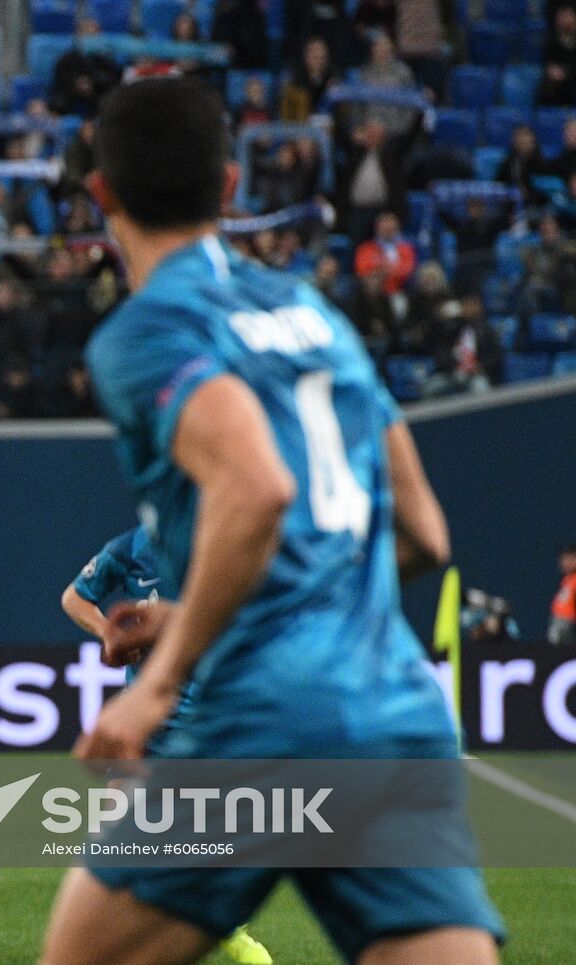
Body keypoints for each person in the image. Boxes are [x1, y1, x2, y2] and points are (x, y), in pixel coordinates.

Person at [42, 77, 502, 965]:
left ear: (100, 196)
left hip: (260, 714)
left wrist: (161, 678)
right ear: (229, 187)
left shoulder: (148, 332)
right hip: (393, 708)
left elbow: (256, 489)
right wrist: (196, 611)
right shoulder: (316, 314)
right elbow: (421, 533)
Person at [59, 526, 271, 965]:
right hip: (149, 717)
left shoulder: (227, 538)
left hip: (212, 715)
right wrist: (107, 633)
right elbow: (74, 597)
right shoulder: (132, 546)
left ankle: (220, 925)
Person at [549, 544, 576, 646]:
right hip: (561, 624)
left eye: (568, 558)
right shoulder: (567, 580)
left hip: (569, 626)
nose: (564, 562)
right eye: (563, 559)